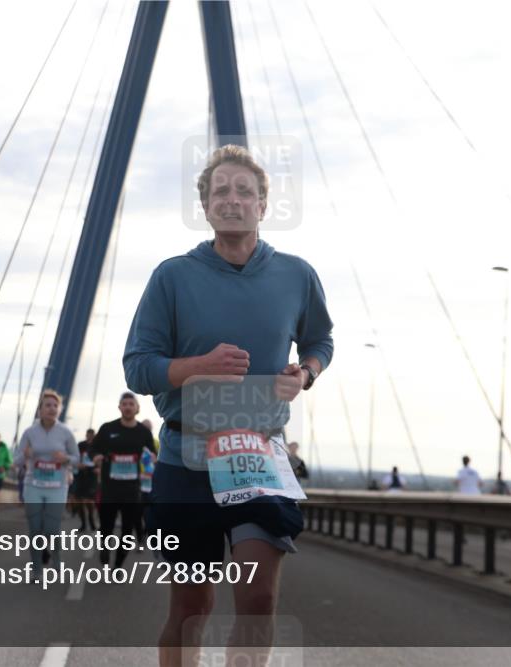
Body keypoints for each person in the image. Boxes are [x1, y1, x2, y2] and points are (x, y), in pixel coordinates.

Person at [123, 144, 334, 666]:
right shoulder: (172, 277)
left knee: (259, 601)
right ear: (206, 205)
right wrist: (197, 365)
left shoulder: (297, 275)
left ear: (263, 204)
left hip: (257, 456)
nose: (233, 200)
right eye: (221, 191)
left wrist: (304, 373)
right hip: (185, 456)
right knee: (192, 606)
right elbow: (138, 366)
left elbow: (321, 341)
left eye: (245, 191)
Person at [13, 389, 78, 570]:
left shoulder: (65, 432)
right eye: (47, 405)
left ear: (59, 409)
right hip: (33, 484)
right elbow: (16, 461)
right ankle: (36, 567)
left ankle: (55, 555)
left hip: (57, 485)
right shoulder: (29, 432)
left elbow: (76, 459)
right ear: (40, 409)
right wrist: (26, 455)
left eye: (55, 405)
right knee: (36, 527)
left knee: (51, 527)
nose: (51, 408)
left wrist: (65, 459)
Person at [90, 392, 153, 569]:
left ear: (137, 408)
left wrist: (151, 461)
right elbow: (93, 448)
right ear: (119, 407)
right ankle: (104, 551)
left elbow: (151, 456)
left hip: (132, 489)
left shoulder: (144, 432)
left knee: (127, 531)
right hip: (110, 488)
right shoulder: (108, 429)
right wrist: (96, 456)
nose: (127, 407)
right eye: (124, 404)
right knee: (106, 528)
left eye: (131, 404)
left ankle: (118, 566)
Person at [71, 428, 98, 531]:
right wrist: (77, 464)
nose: (90, 436)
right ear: (86, 435)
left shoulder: (96, 446)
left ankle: (92, 522)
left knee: (89, 501)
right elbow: (76, 457)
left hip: (91, 477)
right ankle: (83, 524)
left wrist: (96, 468)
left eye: (92, 435)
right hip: (81, 476)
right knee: (79, 501)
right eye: (88, 434)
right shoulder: (81, 445)